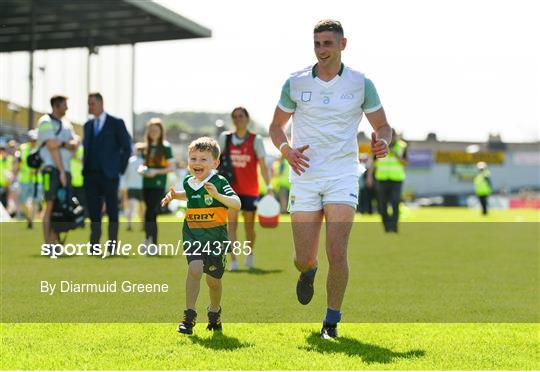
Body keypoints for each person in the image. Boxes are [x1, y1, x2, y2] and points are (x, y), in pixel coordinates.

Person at [268, 20, 392, 339]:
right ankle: (308, 272)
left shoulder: (361, 83)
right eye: (317, 44)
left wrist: (384, 141)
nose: (322, 50)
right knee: (303, 257)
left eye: (328, 43)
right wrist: (287, 150)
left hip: (342, 175)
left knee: (337, 251)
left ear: (342, 44)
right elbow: (275, 127)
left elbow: (384, 126)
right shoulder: (294, 82)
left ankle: (331, 322)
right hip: (305, 176)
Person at [161, 137, 241, 335]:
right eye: (193, 158)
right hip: (193, 235)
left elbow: (236, 203)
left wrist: (218, 197)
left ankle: (214, 312)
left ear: (215, 163)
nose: (197, 163)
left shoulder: (219, 182)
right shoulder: (189, 181)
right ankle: (189, 316)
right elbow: (188, 193)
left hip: (216, 239)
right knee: (195, 269)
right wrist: (173, 195)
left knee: (213, 281)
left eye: (203, 159)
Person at [218, 107, 272, 270]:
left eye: (241, 116)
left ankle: (249, 254)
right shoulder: (225, 138)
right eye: (234, 116)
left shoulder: (256, 140)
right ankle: (233, 260)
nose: (238, 119)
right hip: (230, 189)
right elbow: (217, 162)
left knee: (249, 228)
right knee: (231, 224)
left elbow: (262, 166)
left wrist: (269, 186)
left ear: (247, 119)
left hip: (250, 190)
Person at [83, 92, 132, 253]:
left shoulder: (116, 123)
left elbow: (127, 147)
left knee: (112, 211)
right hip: (91, 175)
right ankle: (94, 246)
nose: (89, 106)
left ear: (100, 103)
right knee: (94, 211)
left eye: (92, 103)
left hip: (110, 175)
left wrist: (120, 169)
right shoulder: (88, 125)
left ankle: (112, 246)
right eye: (89, 103)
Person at [37, 95, 79, 244]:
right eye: (64, 105)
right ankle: (48, 243)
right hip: (52, 169)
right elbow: (51, 145)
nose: (66, 108)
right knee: (49, 205)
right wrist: (61, 170)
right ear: (55, 106)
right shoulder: (45, 121)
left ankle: (57, 241)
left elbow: (75, 142)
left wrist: (63, 144)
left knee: (62, 206)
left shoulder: (67, 124)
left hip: (65, 170)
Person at [138, 118, 174, 249]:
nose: (153, 132)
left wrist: (155, 172)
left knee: (152, 212)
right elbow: (142, 165)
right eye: (151, 130)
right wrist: (142, 170)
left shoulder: (165, 147)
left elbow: (171, 167)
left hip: (158, 185)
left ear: (161, 131)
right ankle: (148, 240)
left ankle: (153, 243)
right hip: (146, 184)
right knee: (148, 212)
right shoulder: (145, 147)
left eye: (156, 130)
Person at [369, 129, 408, 232]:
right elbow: (373, 163)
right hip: (382, 179)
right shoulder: (380, 145)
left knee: (395, 202)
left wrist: (396, 154)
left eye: (393, 136)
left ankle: (394, 226)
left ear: (396, 136)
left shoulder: (402, 146)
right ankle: (386, 226)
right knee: (382, 204)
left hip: (397, 179)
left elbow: (406, 163)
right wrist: (369, 177)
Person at [16, 129, 44, 228]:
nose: (33, 142)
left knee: (36, 201)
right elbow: (19, 163)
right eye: (31, 140)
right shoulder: (22, 148)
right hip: (25, 179)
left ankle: (31, 220)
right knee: (22, 200)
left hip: (37, 179)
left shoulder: (41, 149)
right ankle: (29, 217)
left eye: (35, 140)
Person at [123, 144, 145, 231]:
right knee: (142, 208)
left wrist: (125, 186)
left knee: (131, 207)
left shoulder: (130, 161)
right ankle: (142, 225)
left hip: (131, 186)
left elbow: (126, 174)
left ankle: (129, 224)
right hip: (141, 187)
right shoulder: (144, 161)